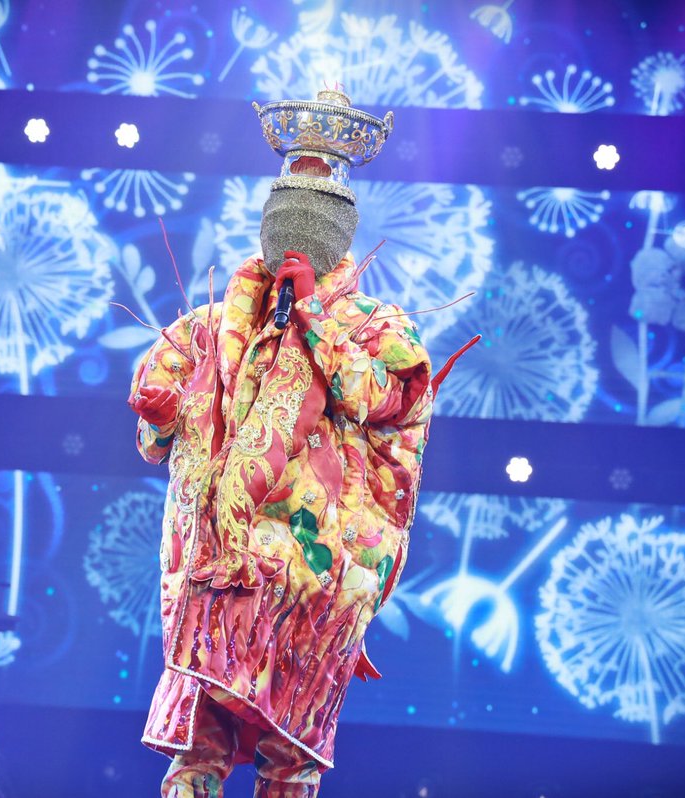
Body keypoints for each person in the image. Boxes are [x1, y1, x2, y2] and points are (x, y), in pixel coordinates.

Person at [129, 88, 474, 797]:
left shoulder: (379, 326)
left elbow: (391, 399)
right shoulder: (210, 326)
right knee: (198, 747)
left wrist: (314, 316)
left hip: (315, 570)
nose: (296, 232)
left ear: (340, 232)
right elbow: (156, 437)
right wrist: (163, 413)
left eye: (314, 218)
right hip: (223, 567)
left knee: (290, 754)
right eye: (285, 216)